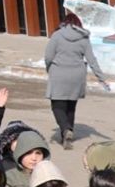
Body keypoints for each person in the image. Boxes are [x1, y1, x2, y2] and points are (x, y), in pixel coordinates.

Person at [44, 12, 108, 150]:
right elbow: (92, 60)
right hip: (77, 75)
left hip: (59, 73)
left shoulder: (57, 35)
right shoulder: (84, 38)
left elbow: (48, 56)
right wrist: (101, 78)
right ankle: (68, 132)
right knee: (71, 106)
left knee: (57, 105)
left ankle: (65, 129)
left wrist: (49, 68)